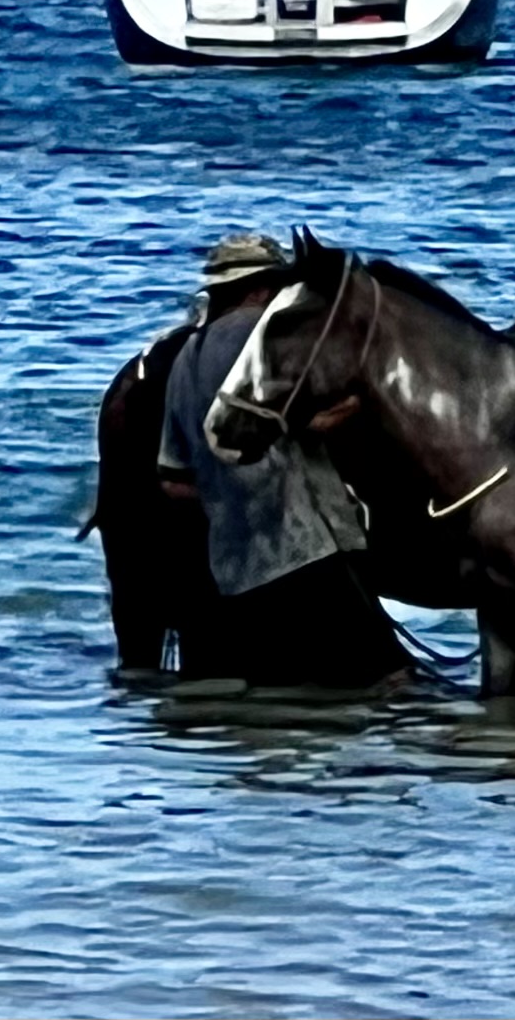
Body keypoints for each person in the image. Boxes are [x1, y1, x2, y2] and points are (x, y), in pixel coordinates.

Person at [155, 231, 406, 687]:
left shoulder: (184, 358)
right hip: (307, 550)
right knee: (391, 682)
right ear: (259, 289)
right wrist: (372, 396)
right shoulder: (265, 337)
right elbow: (314, 423)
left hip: (235, 571)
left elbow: (173, 481)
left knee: (288, 694)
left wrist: (228, 491)